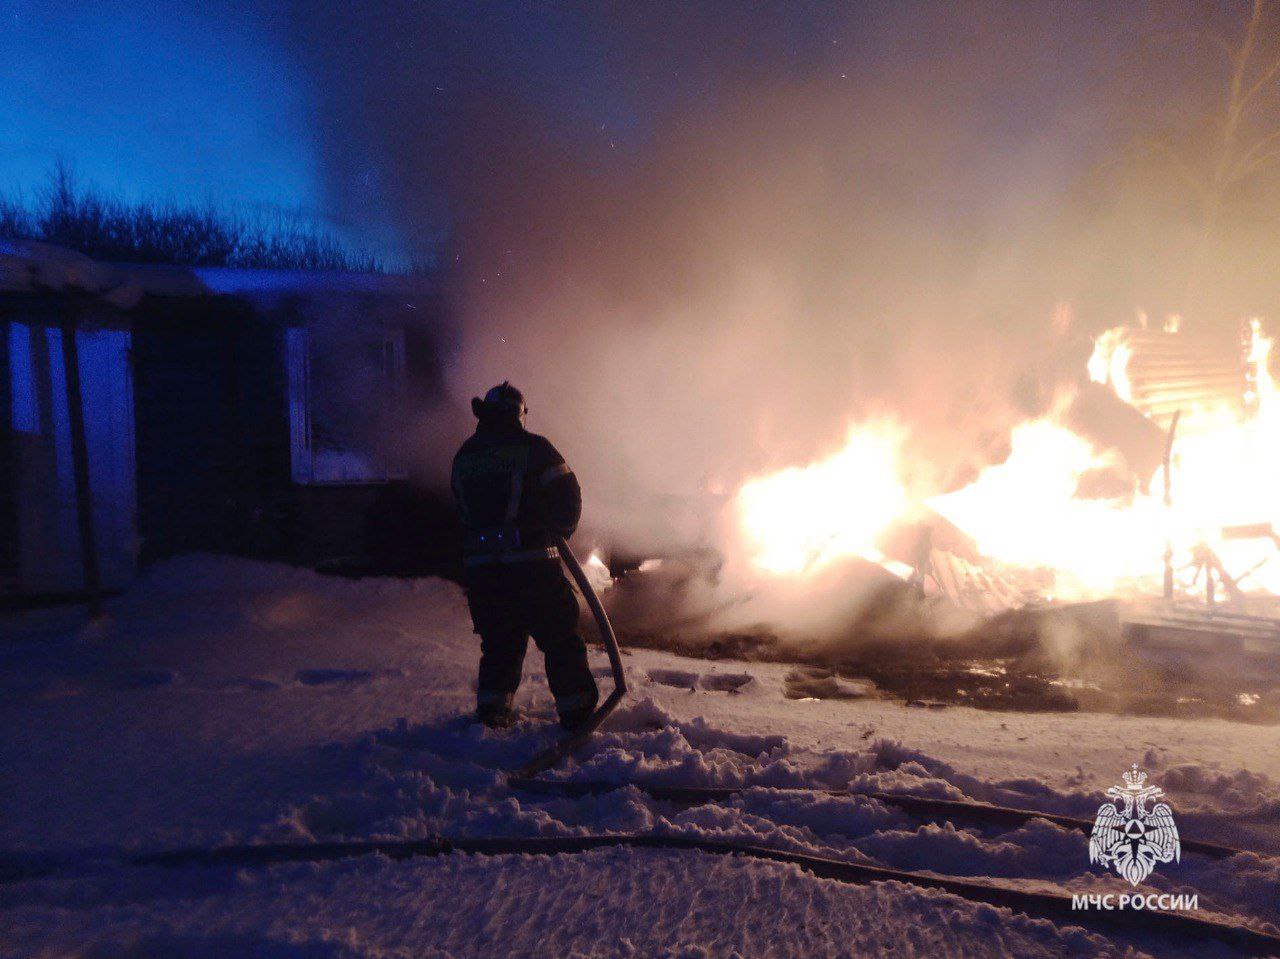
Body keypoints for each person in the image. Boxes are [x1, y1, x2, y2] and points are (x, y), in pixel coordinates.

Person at [450, 382, 600, 729]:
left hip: (483, 573)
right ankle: (576, 712)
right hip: (532, 569)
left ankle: (492, 711)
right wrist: (558, 529)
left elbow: (461, 508)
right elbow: (568, 493)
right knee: (560, 639)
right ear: (520, 413)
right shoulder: (534, 448)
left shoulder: (466, 455)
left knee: (499, 643)